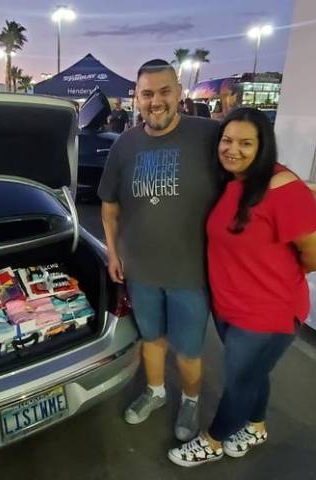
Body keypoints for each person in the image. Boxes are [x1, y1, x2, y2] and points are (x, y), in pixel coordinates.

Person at [167, 108, 316, 467]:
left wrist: (281, 276)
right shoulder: (233, 183)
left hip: (267, 311)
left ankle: (213, 441)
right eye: (227, 141)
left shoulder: (282, 187)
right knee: (254, 374)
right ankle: (256, 426)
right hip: (231, 307)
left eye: (246, 143)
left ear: (263, 146)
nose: (233, 149)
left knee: (240, 381)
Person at [97, 59, 220, 442]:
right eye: (147, 93)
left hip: (191, 273)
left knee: (187, 349)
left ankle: (190, 400)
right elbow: (109, 207)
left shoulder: (209, 135)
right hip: (142, 271)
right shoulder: (125, 143)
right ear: (137, 98)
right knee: (151, 339)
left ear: (179, 93)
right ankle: (155, 393)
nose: (156, 101)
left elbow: (250, 169)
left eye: (164, 91)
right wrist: (114, 255)